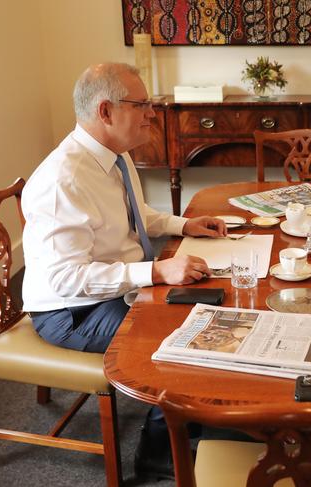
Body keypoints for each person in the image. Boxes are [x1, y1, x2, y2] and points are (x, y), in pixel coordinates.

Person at [21, 62, 228, 479]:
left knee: (209, 307)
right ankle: (157, 452)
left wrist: (183, 225)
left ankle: (194, 419)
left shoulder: (114, 156)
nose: (152, 114)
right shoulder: (64, 179)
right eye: (143, 105)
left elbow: (136, 216)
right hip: (68, 310)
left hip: (110, 286)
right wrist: (154, 272)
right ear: (105, 111)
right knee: (171, 339)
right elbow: (67, 280)